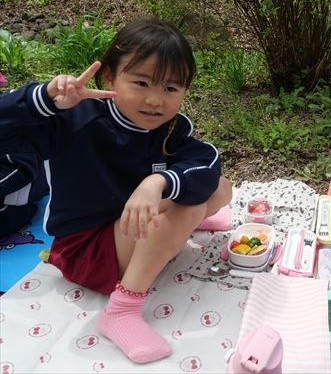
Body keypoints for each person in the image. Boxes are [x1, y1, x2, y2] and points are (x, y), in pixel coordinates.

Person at [0, 18, 232, 363]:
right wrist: (44, 100)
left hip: (127, 228)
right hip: (85, 249)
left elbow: (207, 163)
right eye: (141, 83)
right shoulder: (74, 119)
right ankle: (122, 310)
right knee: (188, 207)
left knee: (221, 189)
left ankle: (174, 229)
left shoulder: (170, 128)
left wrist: (158, 182)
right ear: (109, 76)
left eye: (171, 88)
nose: (155, 100)